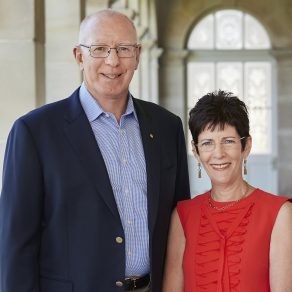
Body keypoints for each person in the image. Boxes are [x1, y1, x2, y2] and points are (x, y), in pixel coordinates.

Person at [0, 9, 190, 292]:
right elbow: (16, 246)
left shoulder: (167, 127)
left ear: (137, 56)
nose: (112, 61)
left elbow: (180, 225)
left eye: (123, 49)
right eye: (99, 48)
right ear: (79, 56)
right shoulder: (35, 132)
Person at [162, 90, 292, 292]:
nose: (218, 154)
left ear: (246, 146)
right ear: (196, 152)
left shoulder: (279, 214)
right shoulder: (182, 216)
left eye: (228, 141)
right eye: (207, 143)